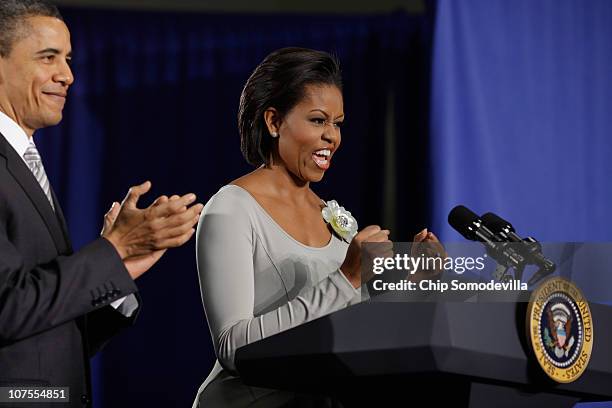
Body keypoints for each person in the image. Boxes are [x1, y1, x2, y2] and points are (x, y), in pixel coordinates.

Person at [193, 47, 442, 407]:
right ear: (274, 121)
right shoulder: (230, 209)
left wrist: (414, 286)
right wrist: (346, 278)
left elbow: (347, 327)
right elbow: (234, 347)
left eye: (337, 123)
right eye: (317, 120)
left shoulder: (337, 218)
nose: (332, 137)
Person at [0, 1, 203, 406]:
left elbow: (49, 326)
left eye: (69, 59)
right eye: (48, 58)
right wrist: (114, 249)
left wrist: (120, 268)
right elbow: (7, 309)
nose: (67, 75)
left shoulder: (24, 159)